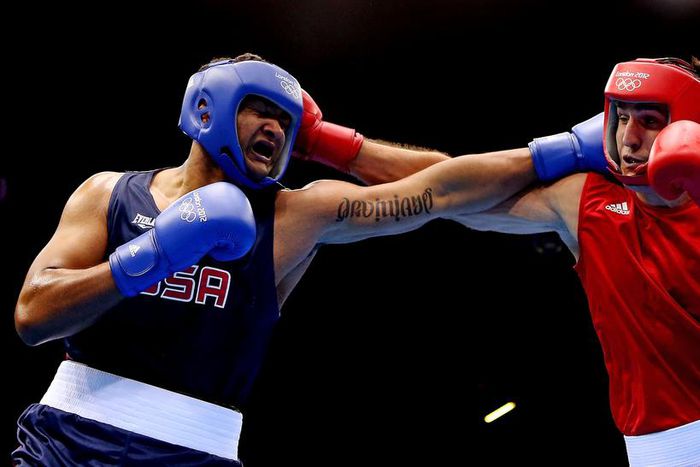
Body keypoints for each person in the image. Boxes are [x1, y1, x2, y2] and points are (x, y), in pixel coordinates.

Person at [12, 53, 604, 465]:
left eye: (288, 122)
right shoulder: (109, 193)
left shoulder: (298, 213)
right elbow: (32, 316)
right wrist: (153, 254)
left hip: (197, 451)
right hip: (64, 442)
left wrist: (562, 153)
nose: (276, 128)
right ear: (206, 110)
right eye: (261, 109)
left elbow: (448, 189)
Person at [433, 57, 697, 466]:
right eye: (620, 119)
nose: (628, 139)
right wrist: (343, 147)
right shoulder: (590, 204)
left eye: (648, 121)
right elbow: (447, 193)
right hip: (655, 450)